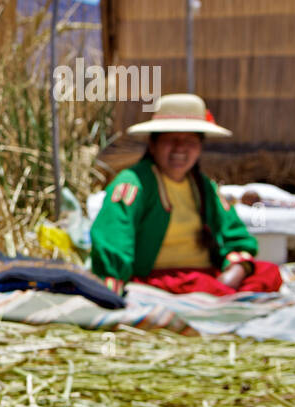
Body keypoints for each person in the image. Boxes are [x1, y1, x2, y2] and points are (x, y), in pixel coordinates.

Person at [90, 93, 282, 296]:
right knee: (206, 289)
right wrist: (112, 287)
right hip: (161, 278)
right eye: (171, 139)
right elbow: (113, 235)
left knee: (269, 273)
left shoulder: (203, 187)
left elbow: (233, 232)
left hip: (207, 275)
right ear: (153, 145)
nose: (180, 148)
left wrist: (236, 270)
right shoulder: (133, 184)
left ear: (200, 148)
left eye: (190, 141)